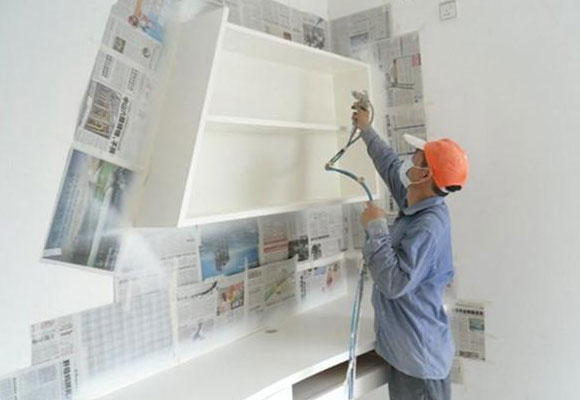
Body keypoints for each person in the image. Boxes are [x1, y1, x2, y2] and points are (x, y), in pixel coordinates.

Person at [353, 104, 469, 400]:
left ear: (425, 174)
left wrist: (376, 227)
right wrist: (366, 129)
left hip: (419, 363)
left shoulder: (428, 226)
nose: (409, 161)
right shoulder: (417, 198)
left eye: (416, 158)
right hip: (408, 352)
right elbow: (390, 165)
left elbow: (394, 283)